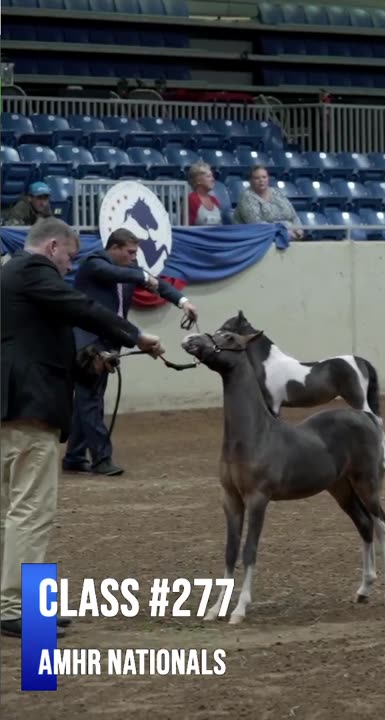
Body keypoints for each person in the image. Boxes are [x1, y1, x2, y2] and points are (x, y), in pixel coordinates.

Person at [1, 218, 164, 638]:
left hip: (12, 408)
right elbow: (83, 307)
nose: (70, 267)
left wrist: (85, 363)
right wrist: (135, 335)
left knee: (15, 513)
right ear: (53, 246)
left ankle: (21, 604)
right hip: (29, 409)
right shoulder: (32, 270)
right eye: (70, 258)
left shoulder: (12, 277)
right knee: (32, 512)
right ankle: (16, 609)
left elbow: (34, 345)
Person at [63, 229, 198, 476]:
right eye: (130, 252)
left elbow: (157, 284)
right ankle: (101, 459)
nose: (134, 258)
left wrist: (183, 302)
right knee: (91, 400)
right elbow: (116, 274)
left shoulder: (127, 272)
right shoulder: (94, 263)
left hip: (106, 343)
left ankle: (74, 455)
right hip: (87, 345)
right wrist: (142, 277)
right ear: (113, 248)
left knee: (88, 399)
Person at [233, 165, 304, 241]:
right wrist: (284, 230)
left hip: (287, 234)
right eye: (257, 178)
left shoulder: (277, 192)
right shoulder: (246, 197)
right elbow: (256, 224)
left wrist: (298, 229)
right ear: (250, 181)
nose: (261, 180)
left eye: (264, 177)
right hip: (259, 238)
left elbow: (293, 216)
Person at [186, 162, 224, 226]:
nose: (213, 179)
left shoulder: (214, 200)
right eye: (208, 176)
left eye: (212, 176)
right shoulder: (191, 199)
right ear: (198, 180)